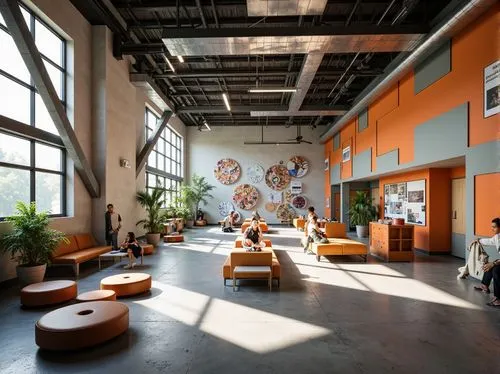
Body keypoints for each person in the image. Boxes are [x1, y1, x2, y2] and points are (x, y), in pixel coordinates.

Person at [473, 217, 500, 307]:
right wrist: (479, 240)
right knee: (491, 265)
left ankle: (498, 299)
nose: (492, 229)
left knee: (496, 269)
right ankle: (485, 285)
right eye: (492, 226)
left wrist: (494, 263)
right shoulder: (497, 237)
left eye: (494, 227)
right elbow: (489, 241)